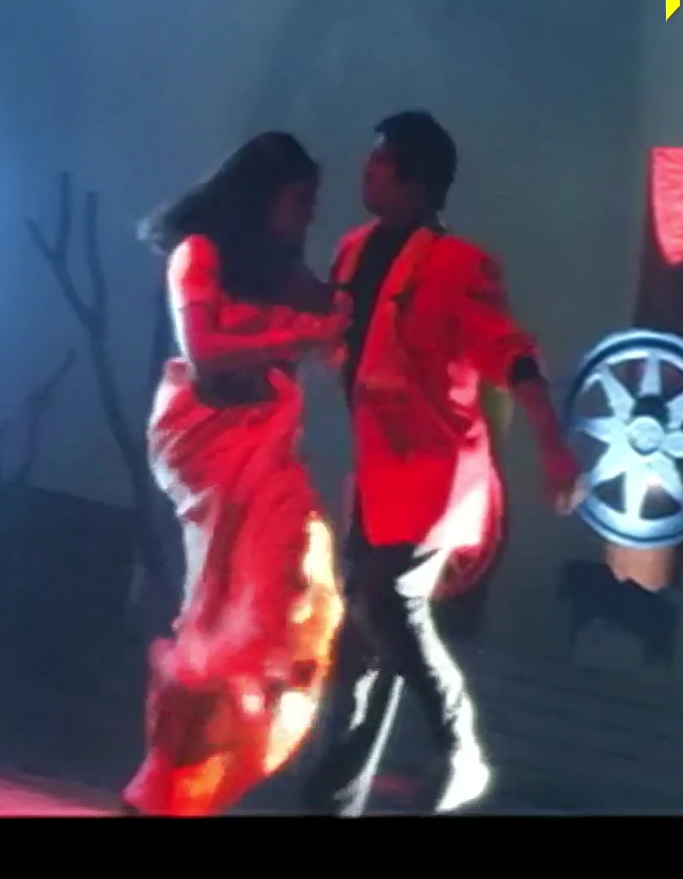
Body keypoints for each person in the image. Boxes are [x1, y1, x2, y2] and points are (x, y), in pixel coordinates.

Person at [299, 110, 582, 816]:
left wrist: (552, 446)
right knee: (361, 644)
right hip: (376, 475)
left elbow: (512, 355)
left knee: (386, 600)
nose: (368, 170)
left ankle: (461, 748)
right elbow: (332, 334)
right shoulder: (353, 251)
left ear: (416, 182)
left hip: (438, 476)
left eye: (382, 162)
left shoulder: (460, 265)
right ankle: (330, 803)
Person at [120, 131, 351, 817]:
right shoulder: (198, 255)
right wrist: (304, 336)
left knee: (302, 589)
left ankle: (198, 778)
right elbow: (206, 351)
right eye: (299, 202)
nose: (307, 218)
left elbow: (345, 322)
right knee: (225, 618)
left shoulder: (285, 272)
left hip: (269, 444)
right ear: (261, 197)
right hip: (209, 442)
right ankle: (166, 789)